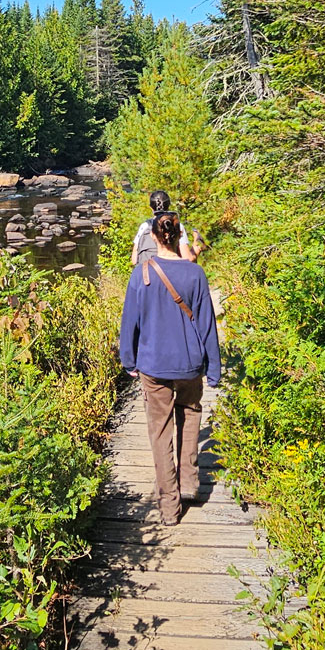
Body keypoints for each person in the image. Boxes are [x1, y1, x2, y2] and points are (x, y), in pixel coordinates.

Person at [118, 210, 221, 526]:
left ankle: (169, 508)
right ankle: (190, 483)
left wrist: (129, 361)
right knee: (190, 417)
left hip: (153, 366)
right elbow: (208, 325)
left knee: (160, 434)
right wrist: (214, 367)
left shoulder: (142, 273)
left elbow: (129, 324)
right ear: (180, 237)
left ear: (152, 237)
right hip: (190, 364)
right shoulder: (195, 274)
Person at [131, 189, 200, 265]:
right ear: (168, 205)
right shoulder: (176, 226)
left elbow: (134, 260)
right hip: (171, 273)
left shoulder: (144, 227)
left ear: (151, 207)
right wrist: (195, 249)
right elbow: (188, 259)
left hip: (146, 274)